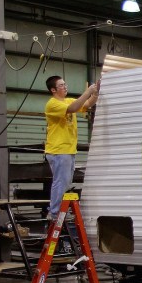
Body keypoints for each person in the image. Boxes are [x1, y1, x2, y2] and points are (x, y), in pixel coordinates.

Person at [44, 76, 98, 221]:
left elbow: (86, 104)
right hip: (59, 150)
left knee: (66, 182)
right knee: (60, 181)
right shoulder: (52, 104)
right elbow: (73, 108)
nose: (65, 87)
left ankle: (58, 210)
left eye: (65, 84)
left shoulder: (67, 100)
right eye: (61, 85)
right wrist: (88, 91)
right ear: (53, 90)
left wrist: (96, 93)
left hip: (68, 150)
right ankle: (55, 212)